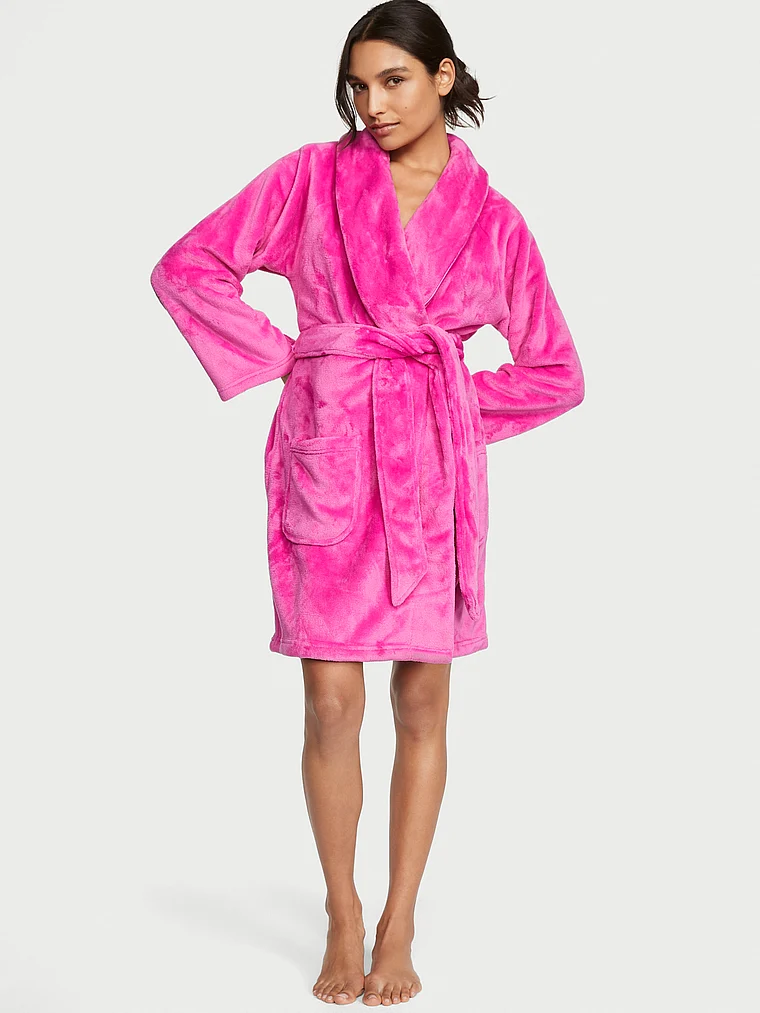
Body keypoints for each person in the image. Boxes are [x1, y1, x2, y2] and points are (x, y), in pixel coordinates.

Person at [150, 0, 585, 1004]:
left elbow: (555, 370)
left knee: (421, 700)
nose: (372, 103)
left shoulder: (494, 220)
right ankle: (342, 908)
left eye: (394, 79)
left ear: (443, 76)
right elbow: (189, 267)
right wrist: (294, 362)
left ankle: (400, 919)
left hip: (431, 477)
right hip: (331, 456)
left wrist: (449, 408)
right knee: (330, 699)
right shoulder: (311, 178)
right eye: (358, 85)